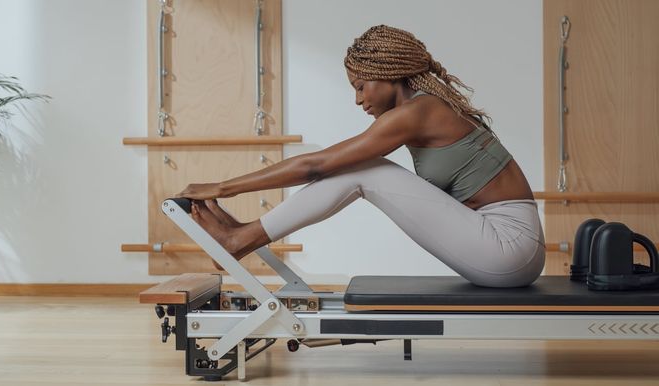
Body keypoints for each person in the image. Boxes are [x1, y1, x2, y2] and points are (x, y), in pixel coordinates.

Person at [176, 25, 545, 288]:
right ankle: (242, 234)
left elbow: (316, 165)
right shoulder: (425, 109)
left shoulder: (417, 113)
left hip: (509, 248)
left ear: (388, 75)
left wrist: (224, 187)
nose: (358, 99)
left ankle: (242, 238)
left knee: (365, 170)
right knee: (362, 168)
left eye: (361, 86)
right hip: (505, 247)